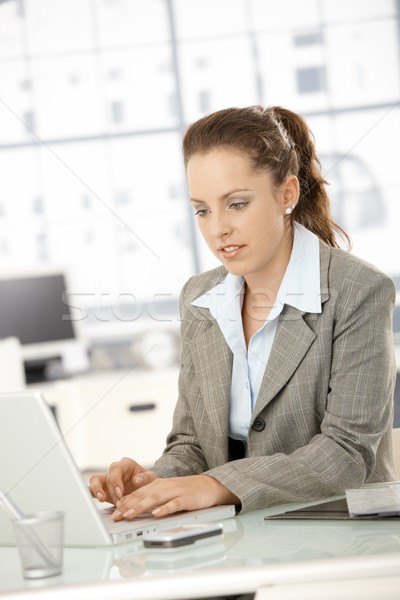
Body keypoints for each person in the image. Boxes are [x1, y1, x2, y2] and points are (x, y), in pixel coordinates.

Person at [90, 105, 397, 523]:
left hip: (338, 528)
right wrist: (151, 482)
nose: (217, 229)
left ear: (287, 194)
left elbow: (346, 453)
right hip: (236, 535)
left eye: (236, 204)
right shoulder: (200, 297)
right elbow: (191, 445)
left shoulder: (358, 290)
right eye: (202, 210)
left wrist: (216, 486)